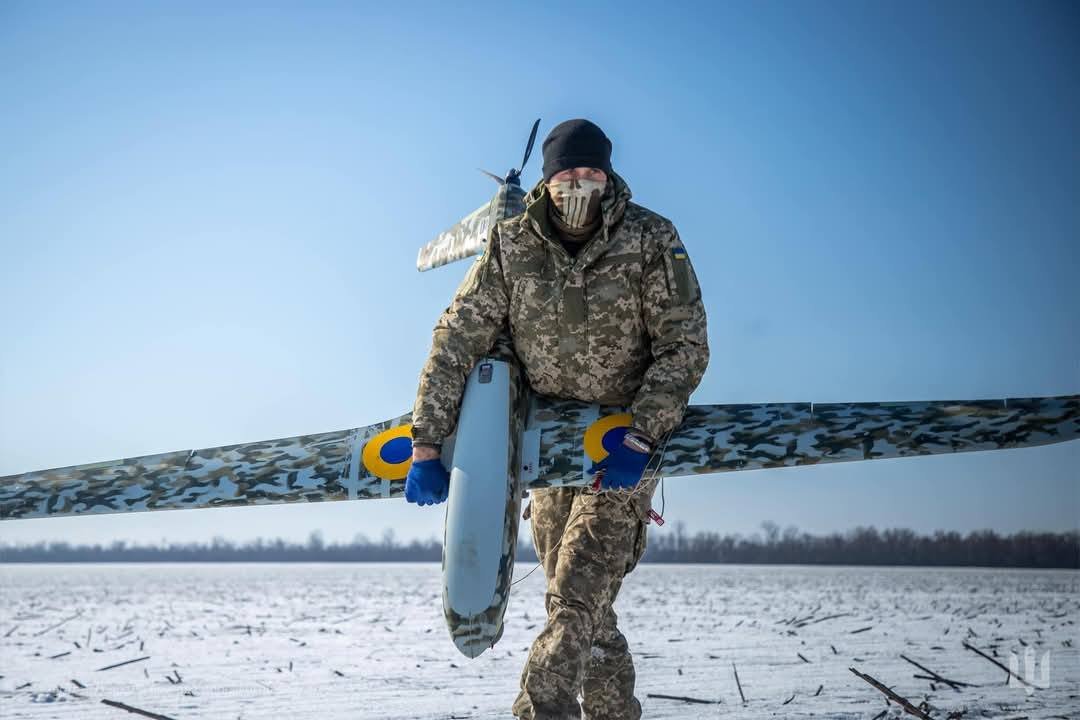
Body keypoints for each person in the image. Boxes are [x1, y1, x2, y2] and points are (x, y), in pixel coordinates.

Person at [406, 118, 709, 719]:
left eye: (592, 172)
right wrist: (426, 441)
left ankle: (539, 709)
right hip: (544, 443)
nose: (581, 183)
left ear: (609, 173)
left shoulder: (650, 239)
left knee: (575, 593)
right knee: (579, 610)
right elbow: (456, 339)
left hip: (620, 446)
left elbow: (685, 345)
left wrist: (643, 433)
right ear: (548, 178)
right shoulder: (510, 244)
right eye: (570, 172)